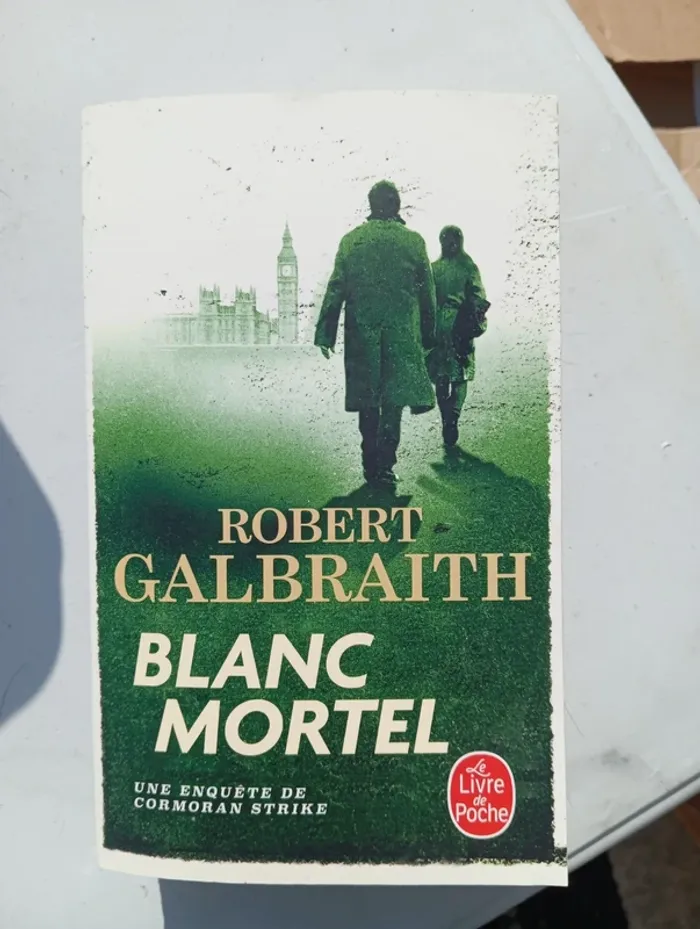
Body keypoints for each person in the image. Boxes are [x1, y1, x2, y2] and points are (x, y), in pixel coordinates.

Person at [314, 181, 437, 489]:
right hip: (401, 337)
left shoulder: (351, 241)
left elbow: (336, 288)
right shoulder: (413, 242)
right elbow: (428, 295)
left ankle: (370, 463)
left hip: (362, 336)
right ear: (397, 205)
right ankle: (386, 465)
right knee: (393, 403)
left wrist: (325, 334)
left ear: (371, 205)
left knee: (368, 401)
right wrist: (429, 336)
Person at [427, 225, 490, 448]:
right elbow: (478, 297)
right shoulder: (468, 266)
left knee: (441, 375)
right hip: (460, 325)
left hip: (438, 326)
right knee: (461, 374)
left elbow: (424, 299)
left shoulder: (433, 268)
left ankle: (445, 416)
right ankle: (453, 415)